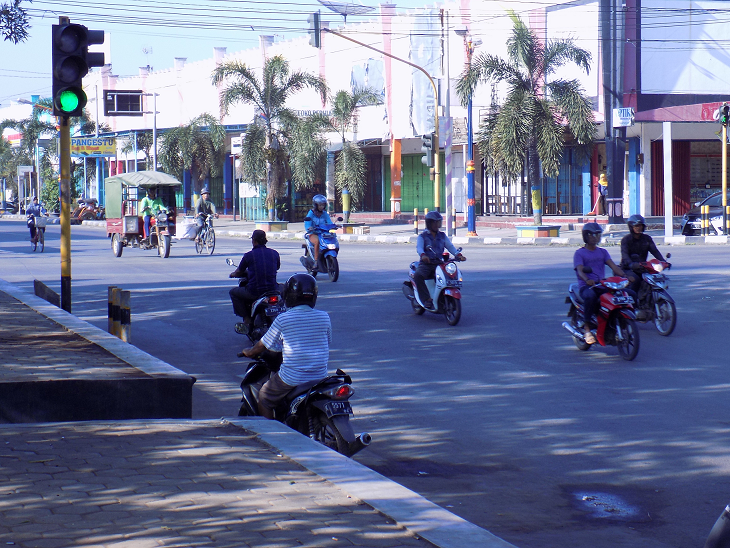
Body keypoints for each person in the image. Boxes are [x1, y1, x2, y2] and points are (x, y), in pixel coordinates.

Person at [241, 273, 331, 419]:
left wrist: (250, 352)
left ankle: (274, 435)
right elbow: (327, 341)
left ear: (289, 295)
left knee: (264, 397)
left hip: (293, 377)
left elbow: (263, 345)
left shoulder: (283, 318)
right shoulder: (324, 316)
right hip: (320, 377)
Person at [574, 222, 635, 345]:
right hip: (587, 285)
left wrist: (625, 276)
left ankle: (620, 321)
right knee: (591, 297)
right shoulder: (579, 253)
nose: (595, 237)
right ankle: (587, 329)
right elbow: (580, 270)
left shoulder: (602, 252)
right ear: (586, 236)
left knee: (630, 294)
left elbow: (613, 266)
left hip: (602, 284)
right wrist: (586, 280)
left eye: (597, 235)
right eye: (592, 235)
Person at [229, 229, 281, 328]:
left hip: (255, 291)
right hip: (273, 289)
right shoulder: (274, 253)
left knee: (233, 292)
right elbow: (277, 267)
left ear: (254, 241)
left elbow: (239, 271)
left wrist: (233, 274)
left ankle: (246, 318)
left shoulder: (249, 255)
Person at [414, 210, 465, 310]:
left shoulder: (442, 235)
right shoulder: (422, 236)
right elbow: (419, 248)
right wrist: (423, 255)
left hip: (439, 263)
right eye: (435, 222)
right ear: (429, 223)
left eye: (439, 222)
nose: (437, 225)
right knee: (418, 275)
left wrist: (458, 254)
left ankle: (443, 296)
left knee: (453, 275)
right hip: (427, 263)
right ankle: (426, 299)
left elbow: (450, 246)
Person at [304, 194, 332, 272]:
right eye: (319, 205)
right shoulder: (311, 213)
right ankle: (316, 261)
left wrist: (334, 225)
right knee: (317, 242)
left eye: (323, 205)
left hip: (323, 234)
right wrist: (309, 228)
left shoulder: (324, 213)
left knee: (331, 239)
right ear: (315, 205)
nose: (321, 207)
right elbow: (307, 223)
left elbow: (329, 222)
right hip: (313, 233)